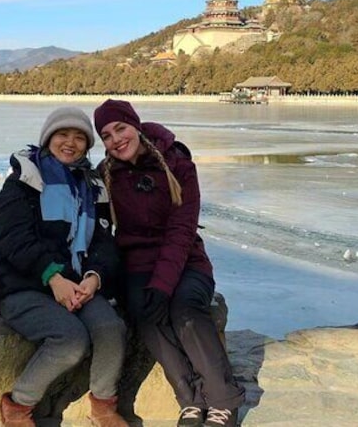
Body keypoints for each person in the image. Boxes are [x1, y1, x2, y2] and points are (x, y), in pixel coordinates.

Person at [94, 99, 245, 427]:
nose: (116, 139)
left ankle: (223, 399)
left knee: (185, 309)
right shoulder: (106, 175)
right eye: (106, 135)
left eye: (120, 128)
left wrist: (162, 285)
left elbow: (182, 230)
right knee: (144, 313)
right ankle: (189, 398)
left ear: (135, 125)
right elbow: (100, 232)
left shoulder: (178, 165)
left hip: (187, 259)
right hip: (136, 265)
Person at [0, 106, 129, 427]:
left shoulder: (92, 186)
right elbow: (12, 238)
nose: (70, 143)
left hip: (77, 283)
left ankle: (103, 406)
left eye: (80, 138)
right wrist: (53, 277)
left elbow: (103, 242)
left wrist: (95, 276)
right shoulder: (25, 179)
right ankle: (18, 406)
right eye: (63, 134)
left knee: (110, 328)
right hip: (21, 283)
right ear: (48, 138)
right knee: (70, 339)